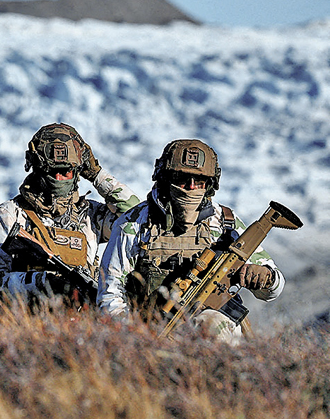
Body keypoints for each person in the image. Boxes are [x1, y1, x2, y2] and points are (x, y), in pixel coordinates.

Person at [97, 139, 285, 344]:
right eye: (182, 179)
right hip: (152, 331)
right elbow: (110, 293)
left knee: (214, 324)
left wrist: (265, 277)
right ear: (165, 178)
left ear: (210, 185)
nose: (191, 187)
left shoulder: (224, 223)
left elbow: (273, 290)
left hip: (215, 332)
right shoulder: (134, 224)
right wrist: (134, 338)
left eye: (200, 182)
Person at [0, 123, 140, 309]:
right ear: (36, 168)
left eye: (66, 171)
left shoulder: (92, 216)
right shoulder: (7, 216)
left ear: (78, 171)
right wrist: (40, 283)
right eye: (51, 171)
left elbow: (137, 220)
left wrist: (97, 175)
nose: (59, 178)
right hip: (26, 326)